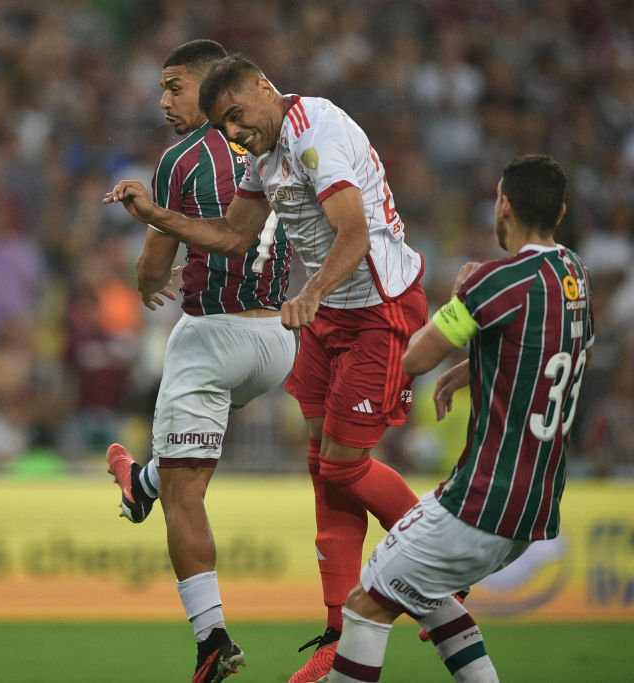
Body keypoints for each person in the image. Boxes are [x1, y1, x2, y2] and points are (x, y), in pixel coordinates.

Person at [105, 55, 425, 682]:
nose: (236, 131)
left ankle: (427, 566)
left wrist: (305, 295)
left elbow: (352, 234)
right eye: (225, 124)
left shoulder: (302, 137)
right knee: (321, 470)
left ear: (259, 88)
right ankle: (338, 632)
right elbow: (231, 235)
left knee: (314, 470)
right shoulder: (260, 152)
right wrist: (154, 216)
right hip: (305, 327)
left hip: (357, 310)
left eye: (238, 115)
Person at [326, 155, 593, 682]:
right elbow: (547, 349)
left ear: (504, 205)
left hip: (481, 500)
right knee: (426, 594)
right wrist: (475, 367)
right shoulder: (574, 275)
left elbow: (416, 359)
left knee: (365, 602)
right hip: (535, 508)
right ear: (559, 213)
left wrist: (459, 295)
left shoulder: (496, 282)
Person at [104, 40, 297, 683]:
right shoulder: (280, 139)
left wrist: (142, 279)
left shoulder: (182, 157)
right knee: (178, 464)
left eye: (175, 87)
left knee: (188, 494)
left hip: (213, 337)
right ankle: (142, 483)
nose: (164, 102)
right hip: (279, 341)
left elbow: (154, 264)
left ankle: (212, 639)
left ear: (212, 85)